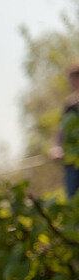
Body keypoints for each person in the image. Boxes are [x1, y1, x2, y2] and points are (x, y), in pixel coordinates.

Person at [50, 62, 79, 197]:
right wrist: (56, 148)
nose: (73, 83)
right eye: (71, 80)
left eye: (75, 79)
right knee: (73, 200)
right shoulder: (70, 105)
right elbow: (61, 131)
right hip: (73, 163)